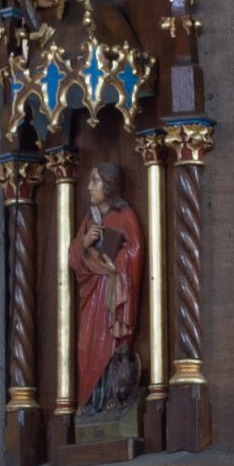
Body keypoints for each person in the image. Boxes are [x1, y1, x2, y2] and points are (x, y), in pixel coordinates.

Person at [69, 156, 144, 419]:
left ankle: (113, 398)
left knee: (111, 345)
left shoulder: (124, 216)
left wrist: (117, 264)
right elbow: (73, 259)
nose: (89, 187)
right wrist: (84, 244)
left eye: (95, 181)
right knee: (86, 346)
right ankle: (90, 400)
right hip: (91, 297)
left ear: (109, 185)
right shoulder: (89, 222)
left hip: (113, 293)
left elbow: (135, 250)